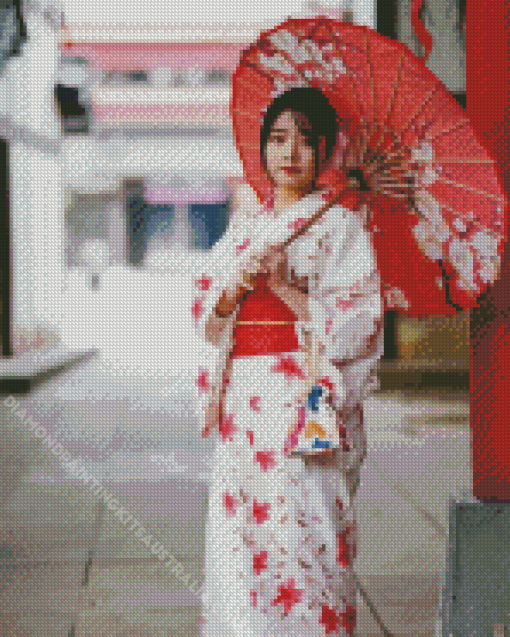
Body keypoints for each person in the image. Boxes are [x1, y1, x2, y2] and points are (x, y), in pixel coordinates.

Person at [193, 86, 384, 636]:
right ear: (262, 148)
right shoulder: (245, 228)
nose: (290, 152)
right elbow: (208, 310)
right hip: (243, 405)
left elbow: (360, 323)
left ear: (325, 151)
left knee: (305, 532)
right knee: (239, 540)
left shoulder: (342, 227)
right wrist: (230, 294)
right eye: (278, 138)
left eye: (306, 139)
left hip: (302, 400)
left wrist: (285, 289)